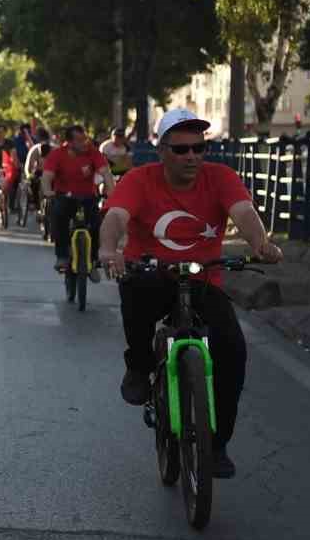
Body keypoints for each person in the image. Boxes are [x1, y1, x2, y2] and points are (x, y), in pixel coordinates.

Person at [98, 108, 283, 478]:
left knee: (232, 349)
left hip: (203, 280)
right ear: (162, 150)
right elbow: (116, 217)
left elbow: (244, 211)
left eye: (199, 148)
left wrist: (260, 243)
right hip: (149, 274)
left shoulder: (221, 177)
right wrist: (108, 250)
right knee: (134, 301)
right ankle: (138, 367)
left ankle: (217, 446)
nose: (192, 157)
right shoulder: (139, 179)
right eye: (181, 150)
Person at [40, 123, 114, 274]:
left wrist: (112, 195)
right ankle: (62, 256)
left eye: (85, 139)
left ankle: (93, 260)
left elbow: (106, 173)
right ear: (70, 142)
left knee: (96, 223)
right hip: (64, 196)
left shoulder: (93, 153)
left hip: (88, 196)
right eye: (80, 140)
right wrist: (48, 191)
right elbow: (47, 177)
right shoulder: (57, 154)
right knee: (59, 216)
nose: (84, 143)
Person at [23, 127, 52, 220]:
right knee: (33, 182)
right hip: (38, 172)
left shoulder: (55, 150)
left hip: (51, 172)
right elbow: (28, 167)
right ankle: (35, 204)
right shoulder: (34, 150)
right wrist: (29, 175)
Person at [0, 138, 21, 225]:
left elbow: (16, 163)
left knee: (15, 185)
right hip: (0, 170)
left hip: (10, 172)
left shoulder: (12, 151)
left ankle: (12, 205)